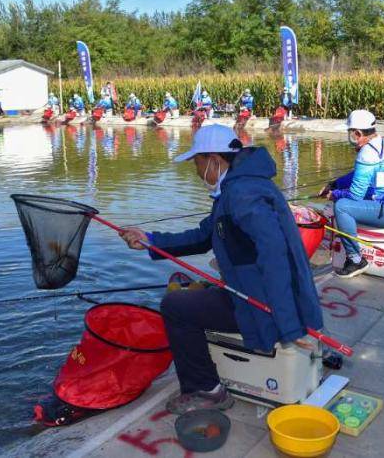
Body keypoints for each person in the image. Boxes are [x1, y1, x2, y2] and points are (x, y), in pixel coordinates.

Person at [118, 124, 323, 415]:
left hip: (266, 305)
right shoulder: (239, 185)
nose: (195, 170)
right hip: (258, 292)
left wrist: (288, 323)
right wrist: (150, 241)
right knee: (196, 294)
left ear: (214, 159)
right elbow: (204, 236)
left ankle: (206, 390)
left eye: (197, 162)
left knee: (175, 305)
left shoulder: (241, 194)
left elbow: (276, 254)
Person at [320, 110, 384, 277]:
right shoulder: (382, 144)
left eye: (350, 133)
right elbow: (358, 175)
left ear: (358, 133)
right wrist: (335, 183)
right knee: (349, 200)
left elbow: (355, 196)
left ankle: (356, 260)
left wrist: (335, 194)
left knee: (342, 207)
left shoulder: (367, 153)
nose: (349, 136)